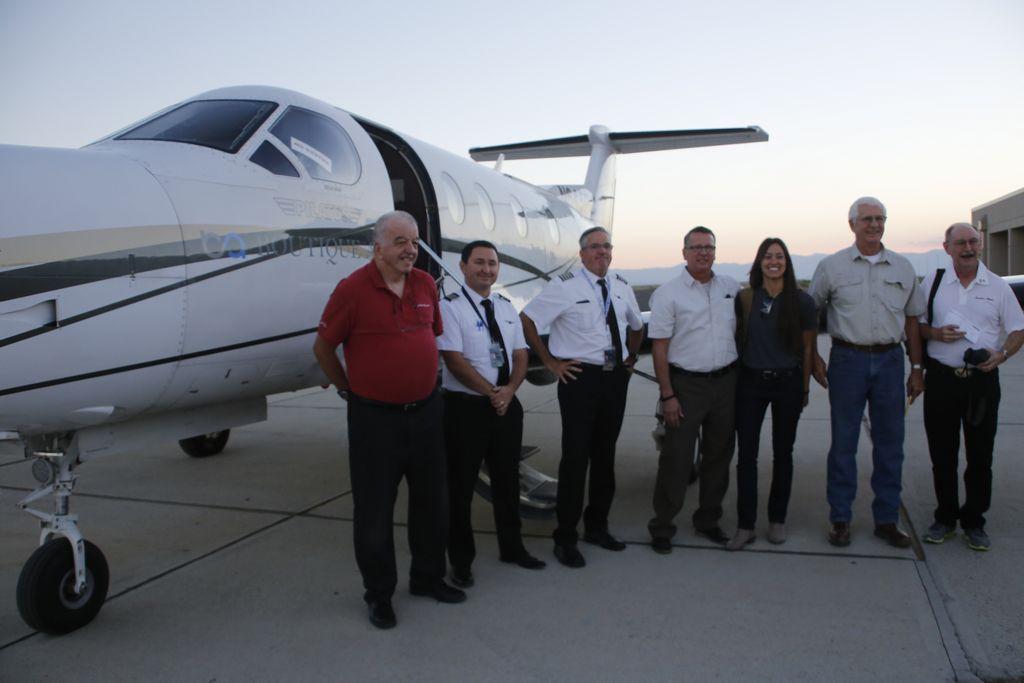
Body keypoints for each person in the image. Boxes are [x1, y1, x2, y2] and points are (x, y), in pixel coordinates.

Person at [312, 210, 464, 630]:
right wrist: (348, 390)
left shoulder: (425, 285)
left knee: (433, 504)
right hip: (374, 420)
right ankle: (379, 594)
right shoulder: (352, 290)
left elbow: (429, 336)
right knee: (375, 512)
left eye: (413, 242)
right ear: (377, 247)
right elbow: (323, 349)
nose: (410, 250)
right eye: (400, 242)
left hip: (427, 413)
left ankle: (428, 578)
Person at [520, 226, 644, 568]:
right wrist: (550, 362)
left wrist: (630, 359)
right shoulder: (565, 287)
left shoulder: (620, 286)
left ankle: (597, 527)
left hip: (614, 379)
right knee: (575, 459)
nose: (602, 252)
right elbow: (527, 320)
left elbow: (636, 326)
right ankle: (565, 536)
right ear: (582, 253)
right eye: (595, 247)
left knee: (605, 456)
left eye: (607, 246)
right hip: (579, 379)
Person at [809, 197, 925, 548]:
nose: (874, 225)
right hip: (848, 360)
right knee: (843, 443)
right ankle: (840, 519)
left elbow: (912, 320)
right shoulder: (832, 267)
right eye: (867, 219)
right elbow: (810, 315)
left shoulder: (903, 268)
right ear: (852, 224)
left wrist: (917, 367)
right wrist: (813, 356)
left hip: (890, 362)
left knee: (891, 444)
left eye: (880, 218)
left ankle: (886, 520)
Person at [438, 240, 546, 587]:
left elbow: (520, 355)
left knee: (507, 481)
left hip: (505, 407)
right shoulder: (450, 307)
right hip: (465, 409)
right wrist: (491, 392)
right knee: (461, 487)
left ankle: (512, 547)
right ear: (463, 267)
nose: (487, 269)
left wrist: (510, 391)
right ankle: (461, 561)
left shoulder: (505, 306)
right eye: (479, 263)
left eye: (492, 263)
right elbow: (454, 360)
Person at [918, 223, 1024, 551]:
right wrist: (935, 334)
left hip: (981, 382)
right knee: (943, 454)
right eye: (960, 243)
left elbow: (1019, 329)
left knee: (980, 455)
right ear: (947, 247)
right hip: (941, 380)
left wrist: (1002, 354)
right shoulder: (933, 283)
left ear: (980, 246)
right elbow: (916, 326)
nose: (968, 248)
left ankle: (975, 521)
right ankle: (945, 518)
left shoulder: (997, 286)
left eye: (973, 243)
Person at [647, 226, 740, 553]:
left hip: (725, 384)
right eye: (696, 247)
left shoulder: (730, 288)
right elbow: (660, 348)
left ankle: (708, 521)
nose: (703, 253)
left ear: (715, 251)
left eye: (709, 247)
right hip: (686, 386)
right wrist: (668, 395)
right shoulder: (668, 293)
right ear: (684, 252)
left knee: (719, 456)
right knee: (677, 458)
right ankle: (662, 525)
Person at [727, 237, 819, 550]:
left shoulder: (803, 302)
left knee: (783, 454)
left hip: (788, 384)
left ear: (787, 262)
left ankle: (777, 519)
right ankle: (745, 525)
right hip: (751, 383)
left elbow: (807, 348)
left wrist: (805, 387)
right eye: (768, 256)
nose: (773, 261)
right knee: (747, 457)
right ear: (759, 262)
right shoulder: (746, 299)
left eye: (779, 256)